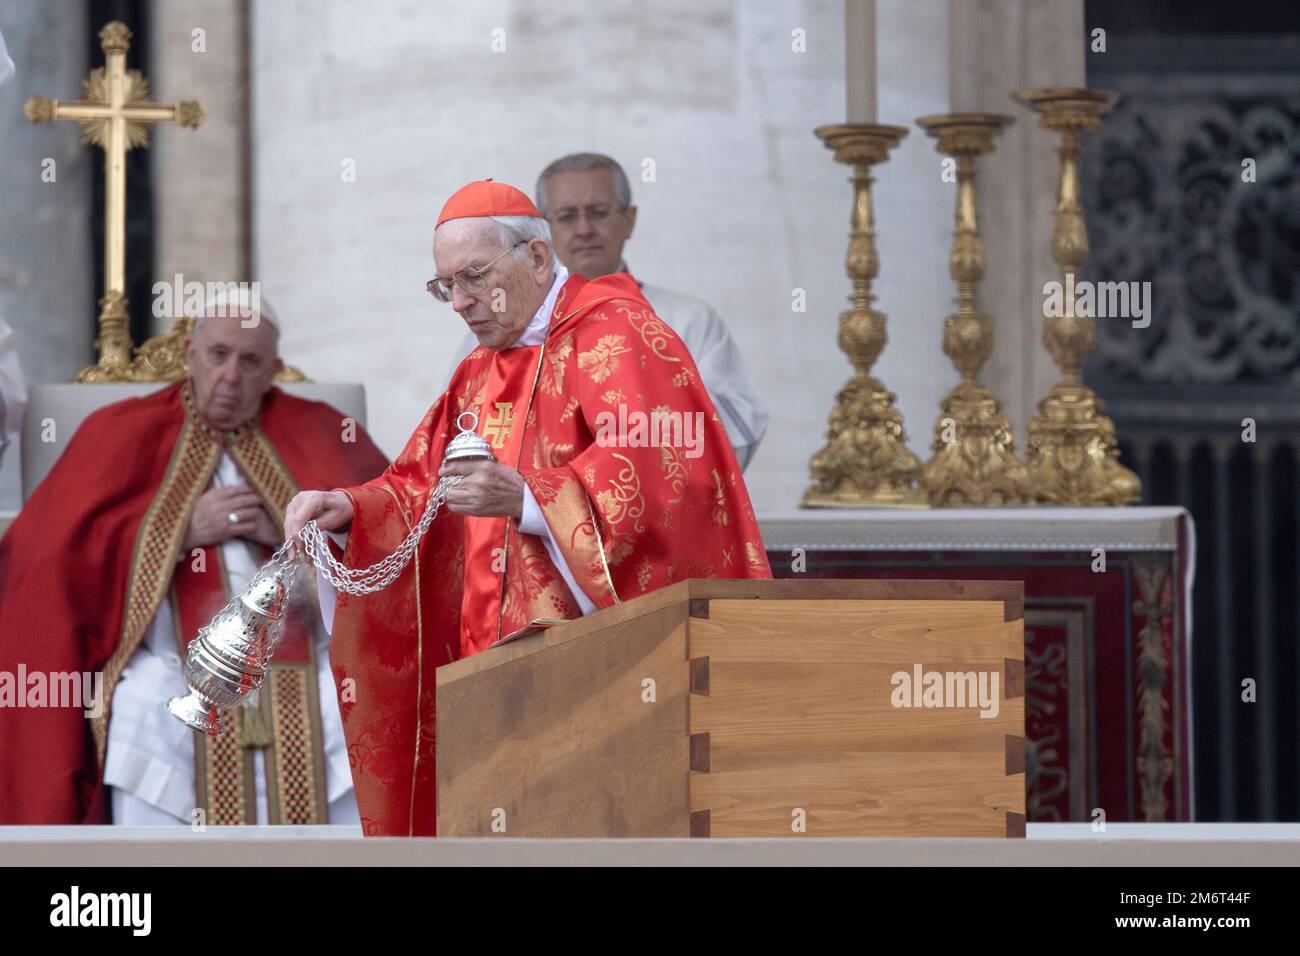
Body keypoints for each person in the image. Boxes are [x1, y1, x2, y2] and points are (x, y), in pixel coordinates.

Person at [284, 179, 771, 836]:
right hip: (484, 672)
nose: (459, 303)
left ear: (539, 259)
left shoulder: (622, 335)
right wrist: (346, 508)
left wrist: (531, 499)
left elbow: (667, 477)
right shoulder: (478, 372)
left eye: (474, 277)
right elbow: (418, 491)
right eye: (443, 286)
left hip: (594, 666)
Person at [0, 293, 389, 825]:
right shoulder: (117, 431)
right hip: (165, 655)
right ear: (189, 354)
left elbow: (391, 535)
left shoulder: (322, 428)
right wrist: (176, 532)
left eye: (250, 362)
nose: (230, 376)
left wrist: (293, 532)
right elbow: (48, 555)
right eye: (218, 355)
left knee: (351, 701)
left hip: (305, 648)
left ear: (273, 370)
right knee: (141, 706)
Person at [447, 153, 768, 469]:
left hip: (646, 513)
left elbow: (739, 426)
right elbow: (458, 428)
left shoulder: (689, 319)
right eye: (568, 216)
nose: (584, 229)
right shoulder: (505, 322)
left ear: (629, 220)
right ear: (542, 233)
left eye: (598, 213)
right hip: (524, 514)